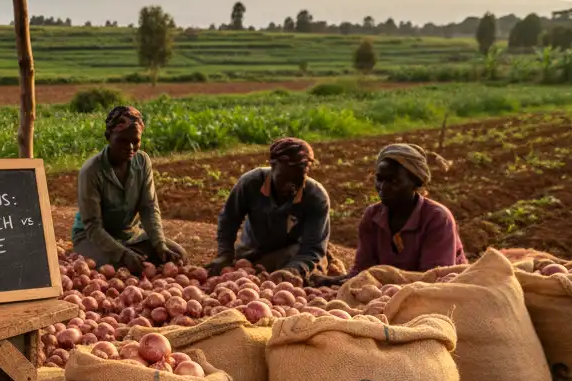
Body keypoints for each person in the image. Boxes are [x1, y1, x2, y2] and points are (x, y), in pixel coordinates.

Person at [321, 143, 465, 283]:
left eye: (395, 181)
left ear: (416, 183)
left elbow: (435, 279)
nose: (383, 187)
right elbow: (361, 272)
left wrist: (386, 279)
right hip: (389, 294)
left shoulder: (437, 218)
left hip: (444, 296)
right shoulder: (372, 216)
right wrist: (329, 282)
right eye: (379, 179)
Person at [71, 106, 185, 272]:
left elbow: (149, 208)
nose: (130, 147)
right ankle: (118, 256)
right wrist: (123, 254)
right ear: (108, 137)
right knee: (120, 267)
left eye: (136, 141)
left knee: (177, 255)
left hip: (130, 236)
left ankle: (134, 254)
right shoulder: (92, 170)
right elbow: (93, 227)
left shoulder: (142, 161)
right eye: (123, 141)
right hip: (92, 237)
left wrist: (159, 245)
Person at [207, 137, 331, 280]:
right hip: (251, 254)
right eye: (283, 178)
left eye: (298, 179)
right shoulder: (250, 183)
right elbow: (229, 219)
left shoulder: (316, 197)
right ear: (272, 166)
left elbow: (313, 248)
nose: (289, 186)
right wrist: (225, 255)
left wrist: (292, 271)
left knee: (311, 274)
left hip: (292, 256)